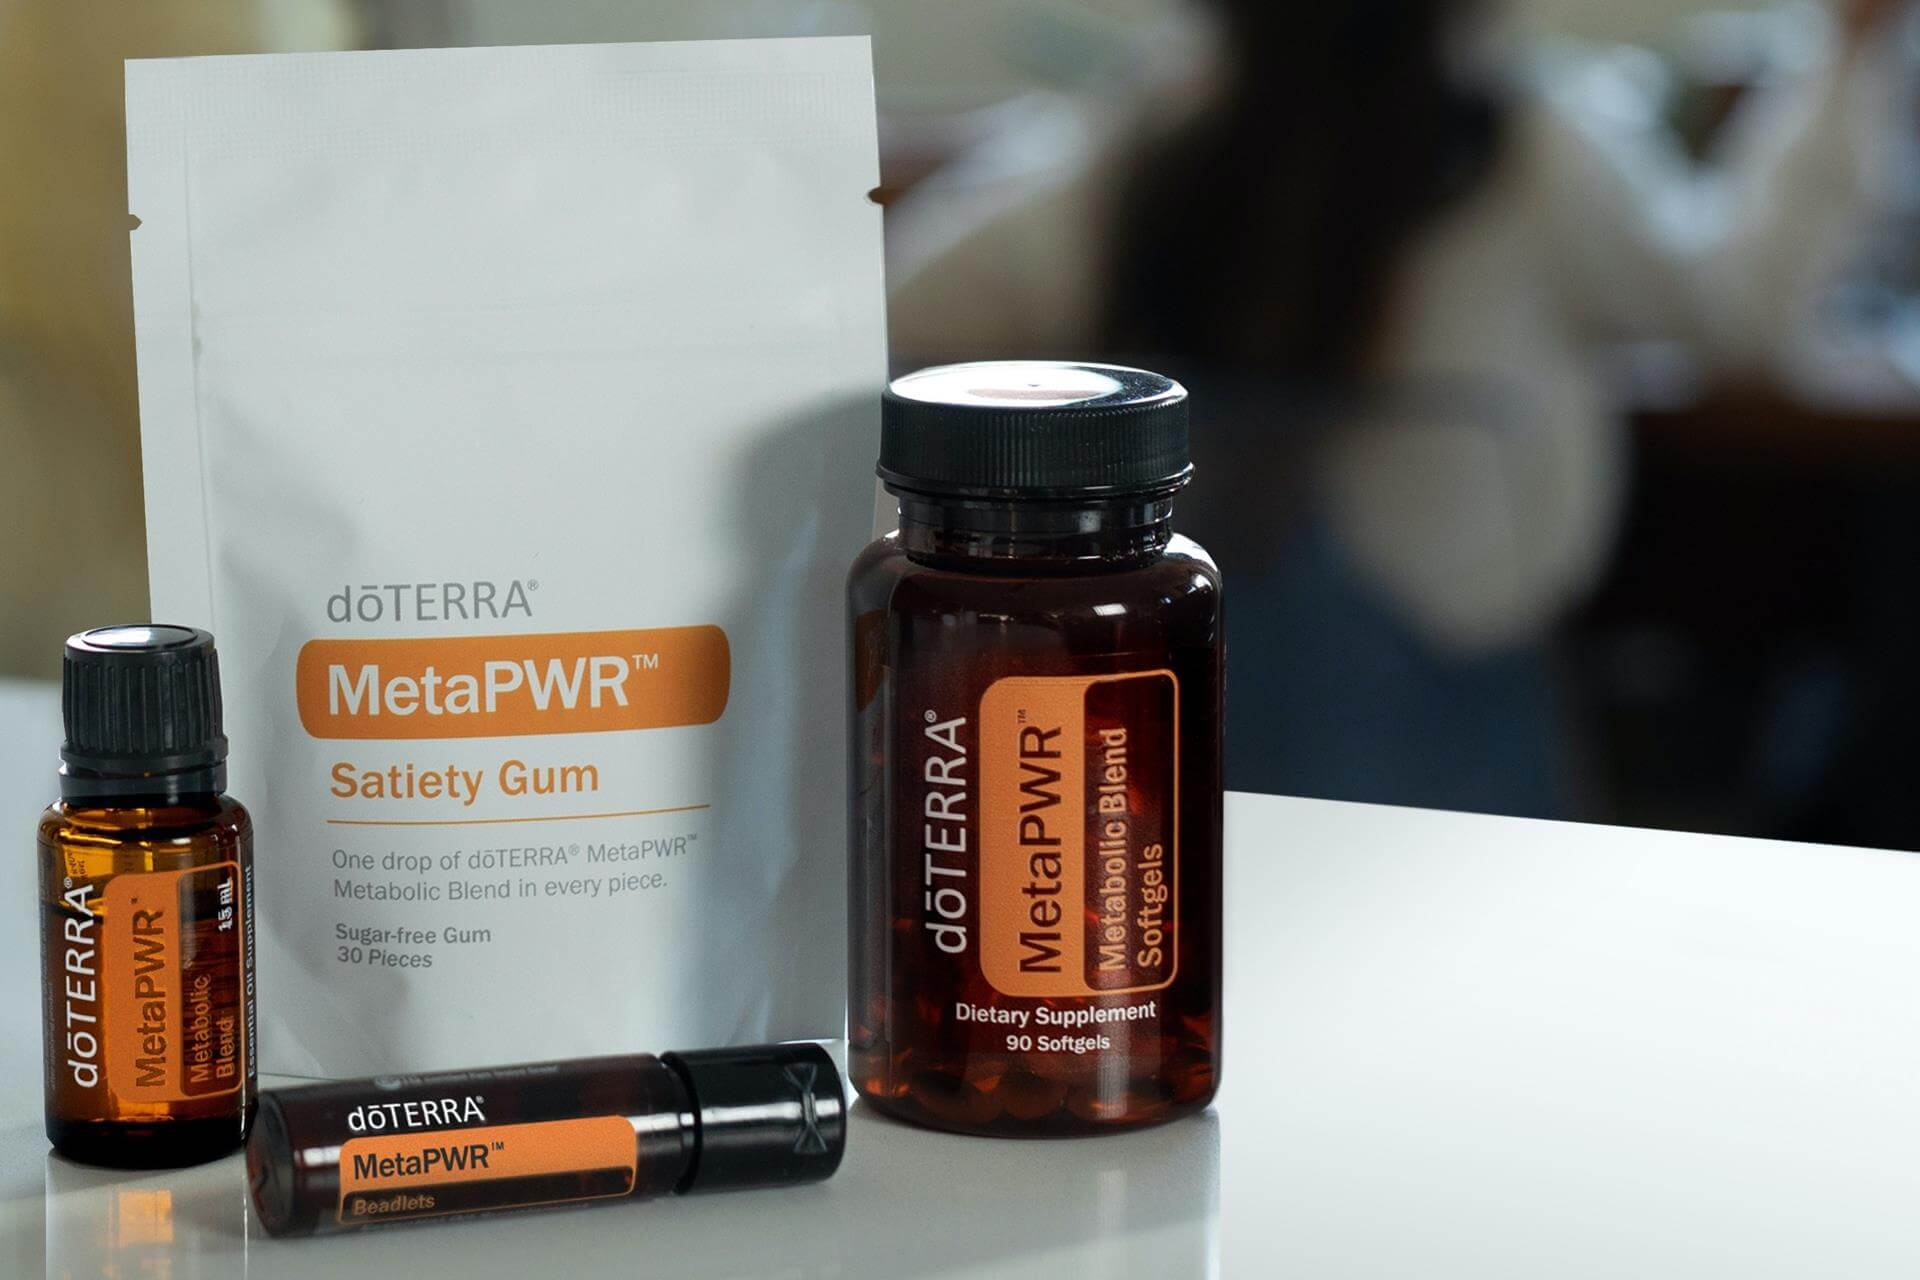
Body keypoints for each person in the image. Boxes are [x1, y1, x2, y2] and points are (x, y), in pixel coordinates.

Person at [886, 0, 1914, 812]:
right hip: (1465, 741)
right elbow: (1737, 321)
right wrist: (1846, 57)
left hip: (1166, 734)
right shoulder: (1531, 150)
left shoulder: (1138, 149)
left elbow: (907, 302)